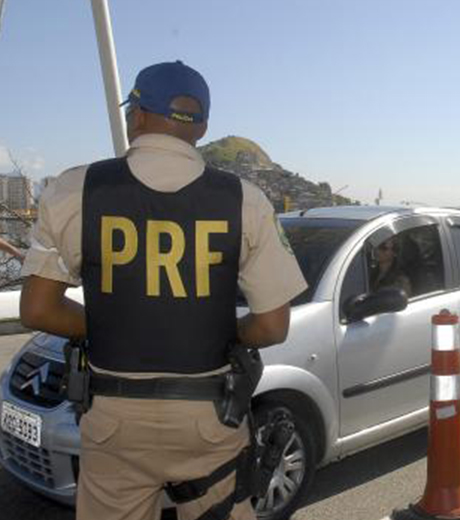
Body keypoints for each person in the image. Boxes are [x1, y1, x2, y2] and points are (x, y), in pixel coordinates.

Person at [18, 61, 307, 520]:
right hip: (210, 416)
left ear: (136, 113)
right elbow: (272, 325)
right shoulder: (245, 200)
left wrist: (120, 324)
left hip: (114, 418)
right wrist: (214, 331)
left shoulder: (76, 189)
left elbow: (37, 309)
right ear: (204, 126)